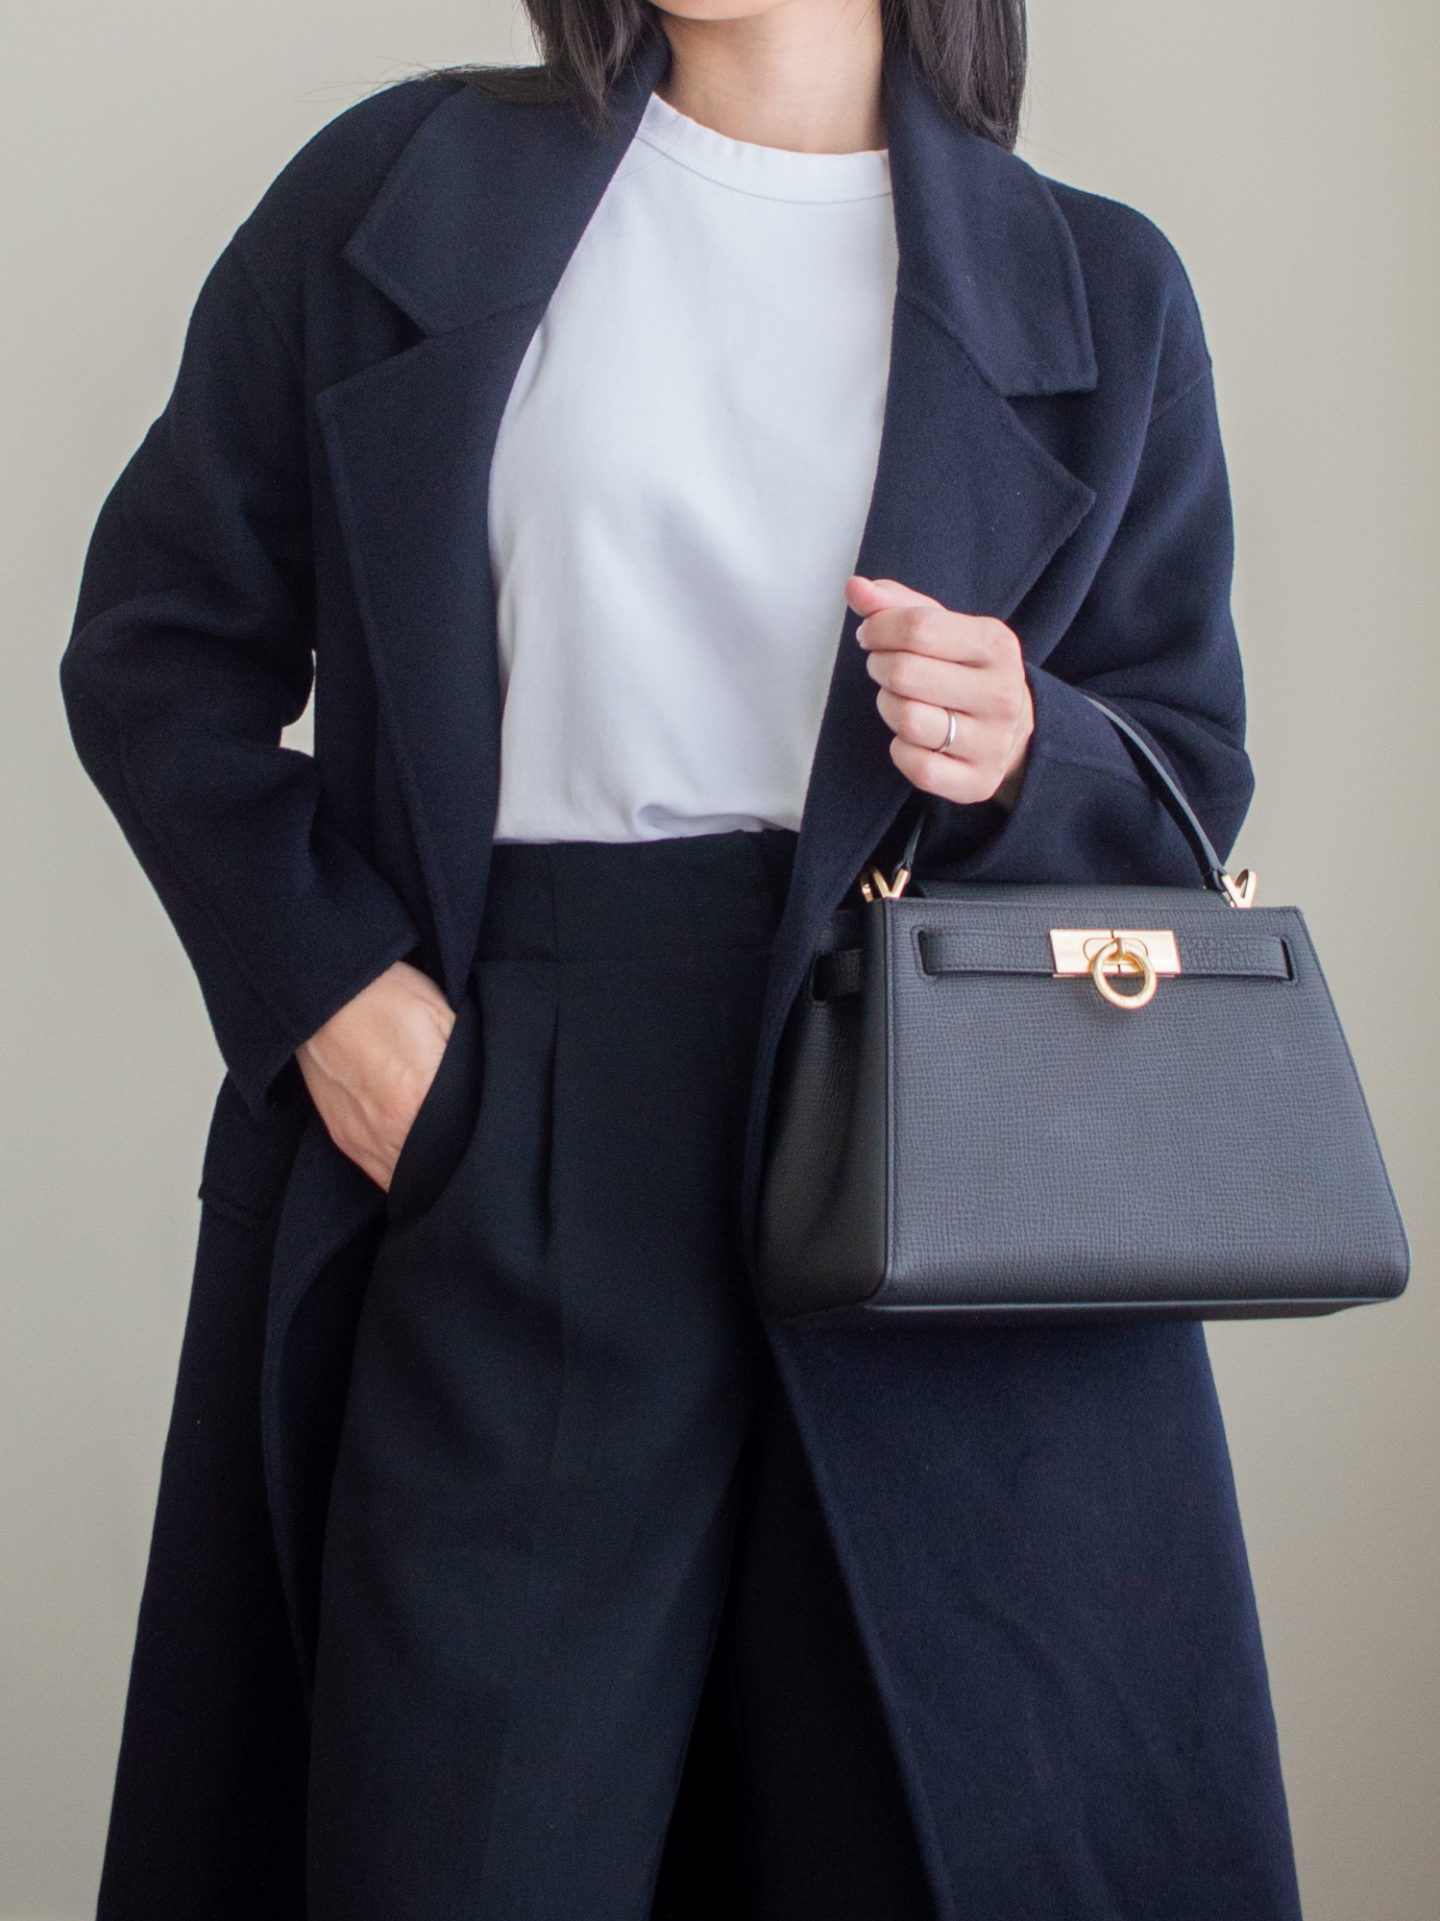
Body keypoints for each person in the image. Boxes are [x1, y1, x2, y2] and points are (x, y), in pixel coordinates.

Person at [62, 0, 1305, 1915]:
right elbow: (160, 640)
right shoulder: (403, 189)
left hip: (944, 1174)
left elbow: (1184, 781)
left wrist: (1024, 744)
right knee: (461, 1846)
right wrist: (333, 996)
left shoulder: (1100, 288)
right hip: (521, 1113)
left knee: (920, 1837)